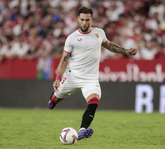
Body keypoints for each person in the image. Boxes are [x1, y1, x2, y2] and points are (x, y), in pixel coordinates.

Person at [48, 6, 137, 141]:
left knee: (94, 101)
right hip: (72, 76)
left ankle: (82, 130)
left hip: (90, 79)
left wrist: (125, 51)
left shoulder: (99, 33)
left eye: (87, 20)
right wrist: (58, 78)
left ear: (92, 20)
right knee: (56, 98)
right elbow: (64, 60)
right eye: (82, 20)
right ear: (78, 19)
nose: (84, 23)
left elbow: (109, 45)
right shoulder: (72, 38)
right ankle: (53, 100)